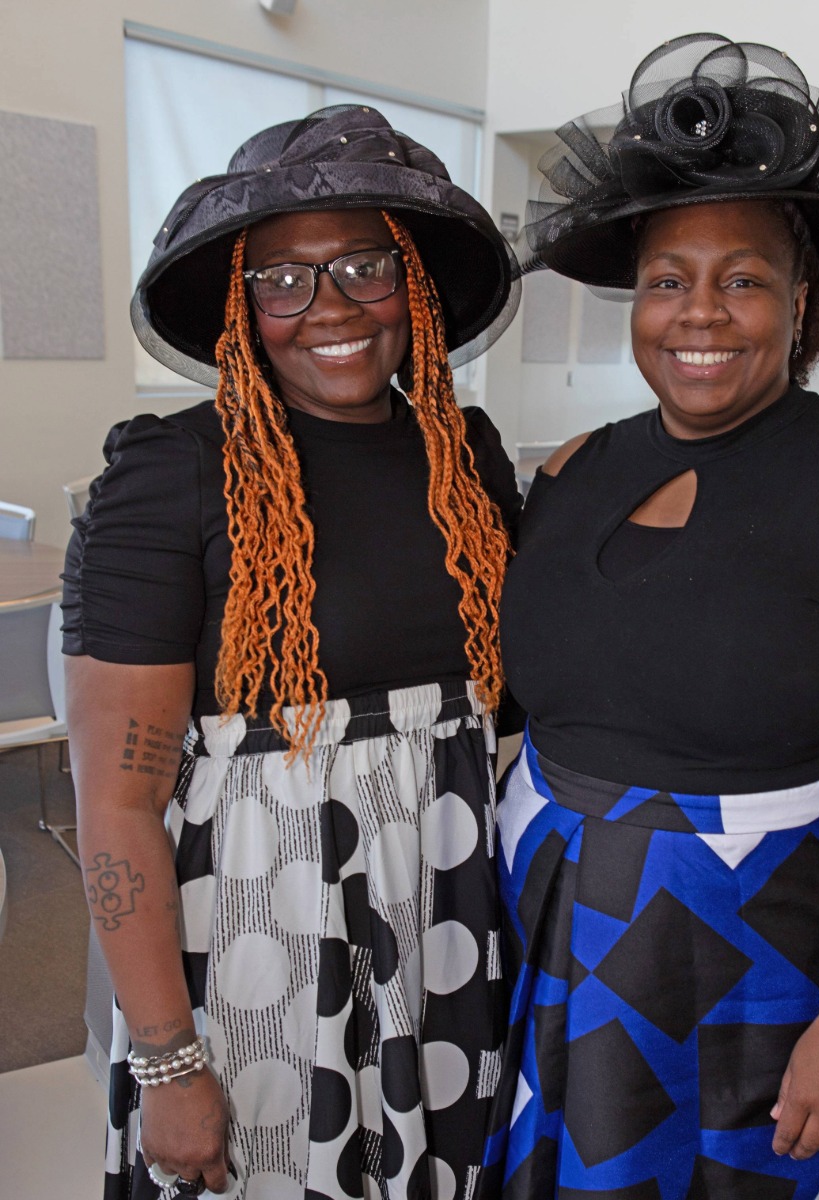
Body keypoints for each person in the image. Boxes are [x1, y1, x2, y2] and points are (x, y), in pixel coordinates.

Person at [485, 35, 819, 1200]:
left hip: (778, 958)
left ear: (801, 299)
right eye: (670, 278)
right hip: (568, 935)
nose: (701, 314)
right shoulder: (573, 471)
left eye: (745, 278)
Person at [63, 105, 522, 1200]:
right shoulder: (172, 474)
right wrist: (169, 1060)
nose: (330, 307)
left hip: (454, 907)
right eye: (283, 278)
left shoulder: (468, 456)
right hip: (259, 933)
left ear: (412, 278)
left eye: (364, 263)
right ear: (241, 304)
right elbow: (117, 805)